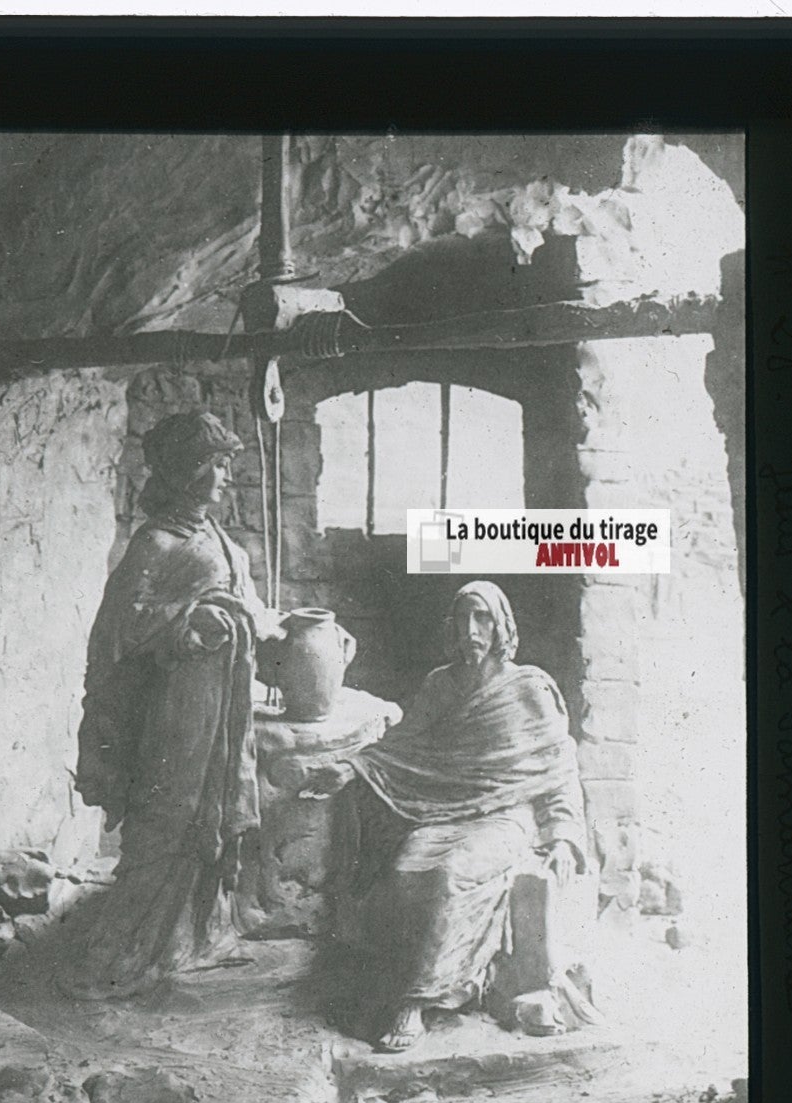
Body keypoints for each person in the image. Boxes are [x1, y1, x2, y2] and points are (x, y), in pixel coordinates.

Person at [302, 581, 589, 1051]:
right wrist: (352, 769)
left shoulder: (528, 689)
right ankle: (435, 981)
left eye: (482, 618)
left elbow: (557, 771)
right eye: (462, 619)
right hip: (444, 813)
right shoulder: (440, 685)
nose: (471, 630)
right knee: (405, 868)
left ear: (501, 626)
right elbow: (402, 749)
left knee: (448, 874)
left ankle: (416, 1002)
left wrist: (561, 836)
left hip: (505, 817)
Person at [59, 409, 284, 999]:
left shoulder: (217, 539)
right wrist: (187, 625)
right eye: (217, 465)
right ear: (188, 471)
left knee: (212, 813)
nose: (226, 477)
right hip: (177, 710)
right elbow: (120, 632)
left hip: (223, 705)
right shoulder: (154, 543)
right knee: (168, 817)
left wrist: (262, 623)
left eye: (228, 465)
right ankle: (126, 951)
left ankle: (196, 935)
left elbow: (246, 603)